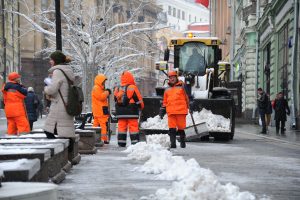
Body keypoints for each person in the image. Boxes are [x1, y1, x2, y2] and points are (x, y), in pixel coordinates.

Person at [43, 50, 76, 139]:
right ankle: (69, 148)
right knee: (65, 129)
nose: (50, 61)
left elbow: (52, 89)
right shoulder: (67, 70)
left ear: (56, 60)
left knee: (49, 130)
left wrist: (46, 88)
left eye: (51, 59)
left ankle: (65, 149)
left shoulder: (58, 71)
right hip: (66, 103)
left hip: (59, 104)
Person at [159, 71, 189, 148]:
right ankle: (173, 144)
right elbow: (165, 101)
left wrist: (189, 105)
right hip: (171, 112)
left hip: (181, 111)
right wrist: (163, 109)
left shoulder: (182, 86)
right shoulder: (167, 89)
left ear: (176, 77)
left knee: (181, 128)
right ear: (169, 79)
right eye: (170, 77)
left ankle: (182, 142)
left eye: (173, 77)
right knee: (171, 128)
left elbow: (187, 97)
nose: (172, 79)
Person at [114, 71, 144, 147]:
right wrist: (141, 107)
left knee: (121, 127)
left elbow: (115, 98)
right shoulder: (132, 87)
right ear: (131, 78)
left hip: (120, 113)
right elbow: (138, 100)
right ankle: (135, 143)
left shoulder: (117, 88)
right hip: (132, 112)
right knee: (133, 127)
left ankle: (121, 143)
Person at [92, 74, 111, 144]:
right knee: (103, 125)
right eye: (103, 81)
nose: (104, 83)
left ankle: (93, 138)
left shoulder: (99, 88)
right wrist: (107, 92)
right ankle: (104, 139)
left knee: (95, 125)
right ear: (100, 81)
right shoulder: (97, 88)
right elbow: (101, 97)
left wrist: (105, 91)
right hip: (100, 110)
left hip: (99, 110)